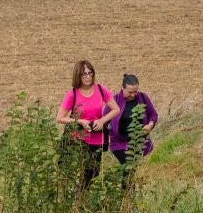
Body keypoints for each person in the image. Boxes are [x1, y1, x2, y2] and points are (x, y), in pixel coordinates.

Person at [57, 61, 118, 189]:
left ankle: (80, 197)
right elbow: (60, 118)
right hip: (76, 139)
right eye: (84, 74)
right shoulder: (72, 93)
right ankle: (69, 196)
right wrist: (80, 121)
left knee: (93, 173)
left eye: (90, 73)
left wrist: (101, 121)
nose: (88, 76)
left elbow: (115, 109)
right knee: (68, 170)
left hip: (96, 139)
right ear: (78, 75)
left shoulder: (101, 89)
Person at [107, 72, 159, 167]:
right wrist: (110, 131)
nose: (133, 95)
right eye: (130, 92)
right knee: (129, 167)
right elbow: (105, 120)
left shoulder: (143, 98)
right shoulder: (114, 101)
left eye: (135, 91)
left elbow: (153, 114)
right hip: (119, 143)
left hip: (140, 143)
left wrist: (150, 125)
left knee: (139, 170)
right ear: (123, 88)